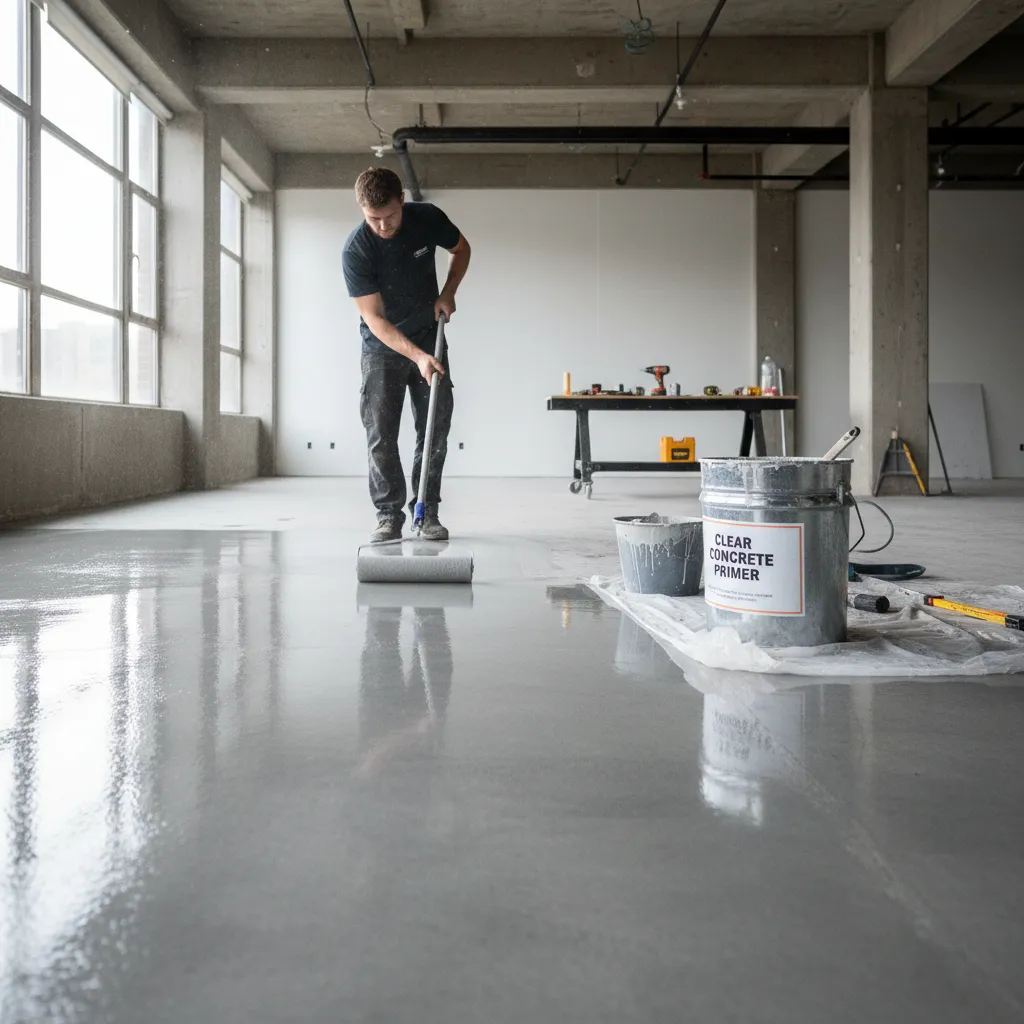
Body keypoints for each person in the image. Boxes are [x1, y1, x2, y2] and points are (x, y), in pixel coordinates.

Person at [342, 167, 472, 543]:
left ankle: (426, 511)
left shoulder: (426, 218)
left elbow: (461, 249)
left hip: (430, 336)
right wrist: (416, 356)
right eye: (373, 219)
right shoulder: (356, 250)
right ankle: (388, 514)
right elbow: (374, 319)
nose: (383, 226)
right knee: (381, 434)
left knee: (434, 429)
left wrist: (448, 292)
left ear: (402, 200)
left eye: (390, 216)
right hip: (381, 347)